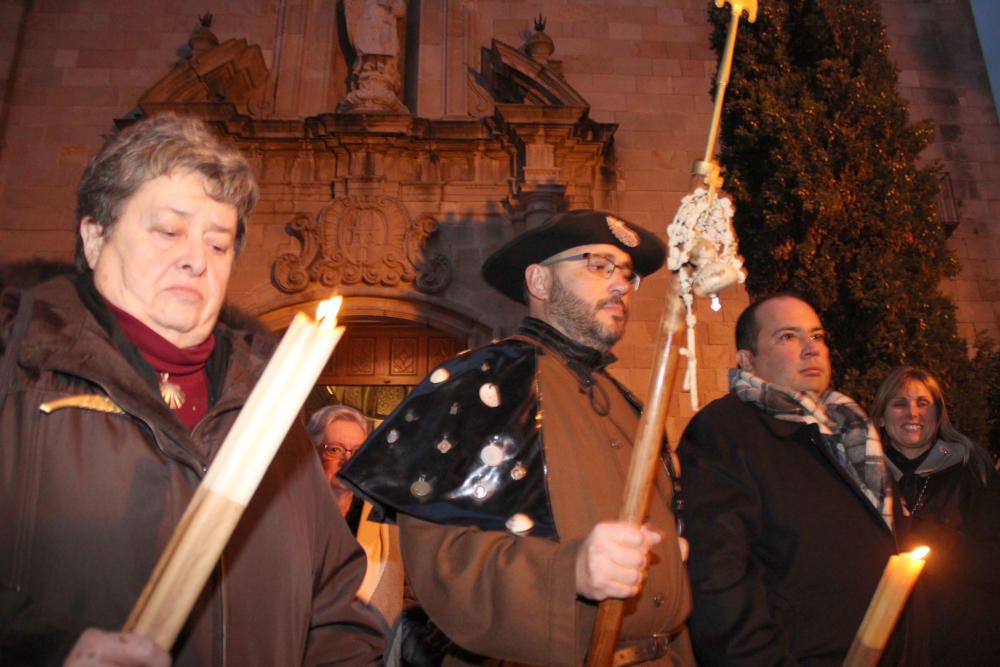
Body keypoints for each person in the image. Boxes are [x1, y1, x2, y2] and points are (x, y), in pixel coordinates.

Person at [0, 113, 384, 666]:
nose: (196, 259)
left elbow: (335, 611)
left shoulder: (269, 406)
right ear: (94, 236)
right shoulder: (17, 368)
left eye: (219, 243)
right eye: (169, 230)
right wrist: (50, 651)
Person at [341, 209, 695, 665]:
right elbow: (447, 565)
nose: (620, 284)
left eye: (626, 272)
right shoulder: (480, 382)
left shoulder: (629, 404)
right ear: (540, 282)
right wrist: (572, 571)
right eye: (597, 264)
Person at [678, 293, 924, 665]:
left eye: (817, 336)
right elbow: (716, 578)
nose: (811, 349)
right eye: (788, 337)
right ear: (748, 360)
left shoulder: (850, 428)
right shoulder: (726, 431)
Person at [871, 366, 1000, 665]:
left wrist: (921, 532)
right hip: (892, 647)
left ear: (938, 413)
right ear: (880, 416)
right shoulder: (864, 480)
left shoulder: (973, 473)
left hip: (965, 645)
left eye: (923, 403)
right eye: (899, 403)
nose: (912, 413)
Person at [307, 404, 406, 627]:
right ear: (313, 453)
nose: (347, 460)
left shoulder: (384, 513)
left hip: (368, 644)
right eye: (334, 449)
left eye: (357, 451)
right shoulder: (295, 513)